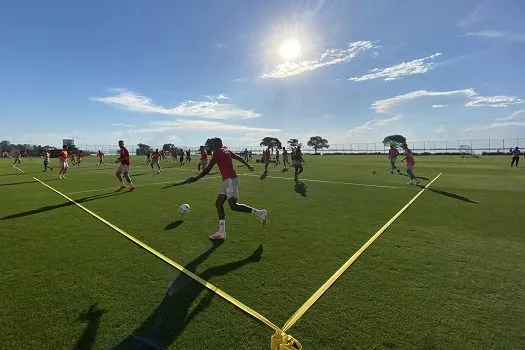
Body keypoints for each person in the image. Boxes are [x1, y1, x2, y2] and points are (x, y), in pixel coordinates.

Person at [184, 137, 268, 240]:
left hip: (230, 181)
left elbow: (207, 169)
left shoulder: (218, 152)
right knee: (218, 204)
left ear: (217, 144)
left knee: (233, 206)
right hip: (228, 181)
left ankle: (260, 213)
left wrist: (196, 178)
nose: (212, 146)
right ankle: (221, 232)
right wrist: (248, 165)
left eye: (213, 144)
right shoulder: (226, 150)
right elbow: (238, 157)